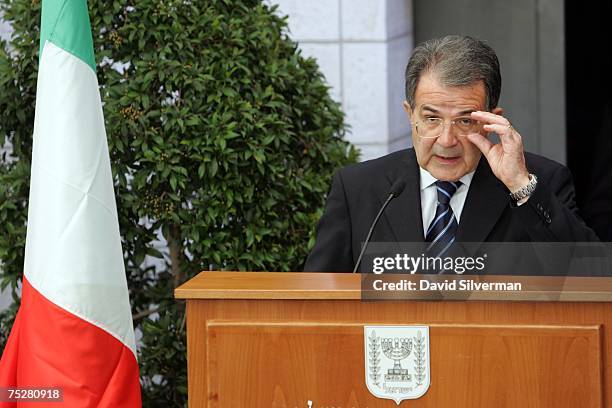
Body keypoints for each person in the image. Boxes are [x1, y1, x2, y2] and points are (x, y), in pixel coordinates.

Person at [304, 35, 599, 273]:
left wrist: (520, 186)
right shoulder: (359, 188)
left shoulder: (539, 183)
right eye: (432, 119)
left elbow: (591, 277)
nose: (447, 140)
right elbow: (319, 298)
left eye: (465, 121)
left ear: (490, 121)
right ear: (410, 115)